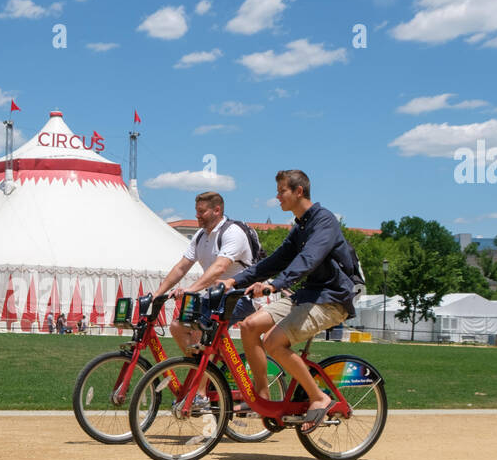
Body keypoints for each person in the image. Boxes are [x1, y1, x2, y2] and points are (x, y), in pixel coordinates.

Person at [222, 170, 358, 432]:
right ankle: (260, 398)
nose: (277, 196)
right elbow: (274, 261)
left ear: (298, 192)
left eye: (281, 190)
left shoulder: (324, 221)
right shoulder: (301, 227)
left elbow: (309, 259)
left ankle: (319, 397)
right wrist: (235, 281)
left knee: (274, 342)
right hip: (308, 295)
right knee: (250, 326)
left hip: (332, 298)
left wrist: (275, 284)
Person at [152, 190, 257, 355]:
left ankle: (204, 374)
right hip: (213, 297)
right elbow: (181, 267)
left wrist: (191, 289)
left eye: (202, 211)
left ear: (217, 210)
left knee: (201, 334)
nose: (197, 215)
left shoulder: (232, 232)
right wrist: (157, 294)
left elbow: (219, 268)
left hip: (239, 297)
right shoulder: (200, 236)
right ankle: (207, 371)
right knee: (178, 327)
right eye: (197, 211)